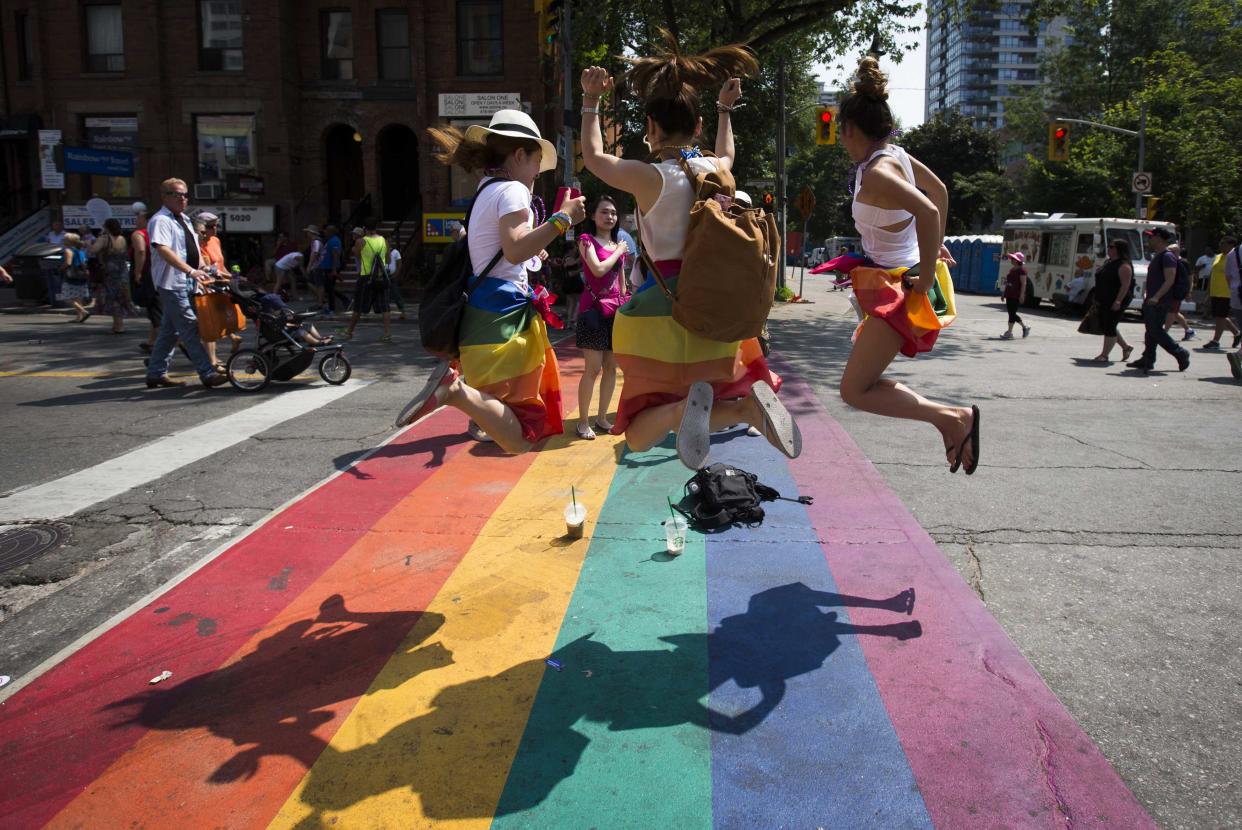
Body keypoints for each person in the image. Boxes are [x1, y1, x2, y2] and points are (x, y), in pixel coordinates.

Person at [578, 39, 799, 469]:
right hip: (717, 308)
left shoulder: (649, 177)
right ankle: (744, 409)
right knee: (709, 395)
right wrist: (725, 110)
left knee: (638, 431)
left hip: (663, 307)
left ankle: (687, 411)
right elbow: (729, 153)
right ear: (697, 127)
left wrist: (591, 100)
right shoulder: (716, 170)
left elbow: (594, 156)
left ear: (651, 128)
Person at [395, 109, 585, 454]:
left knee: (517, 426)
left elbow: (506, 251)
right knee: (522, 433)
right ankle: (454, 392)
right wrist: (563, 220)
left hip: (485, 314)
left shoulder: (486, 189)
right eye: (535, 163)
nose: (536, 175)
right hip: (502, 318)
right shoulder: (513, 190)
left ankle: (457, 392)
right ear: (519, 155)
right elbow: (514, 250)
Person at [834, 56, 979, 474]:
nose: (841, 141)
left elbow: (929, 209)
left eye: (841, 134)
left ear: (848, 128)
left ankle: (954, 419)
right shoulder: (893, 154)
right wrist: (928, 253)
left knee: (855, 390)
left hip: (898, 292)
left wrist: (926, 270)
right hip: (895, 281)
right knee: (858, 387)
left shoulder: (879, 170)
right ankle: (950, 421)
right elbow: (940, 190)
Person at [144, 177, 228, 389]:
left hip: (187, 281)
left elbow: (191, 249)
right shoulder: (160, 220)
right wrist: (190, 270)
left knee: (170, 330)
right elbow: (163, 249)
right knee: (189, 327)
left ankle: (155, 373)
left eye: (184, 194)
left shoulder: (183, 218)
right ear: (164, 197)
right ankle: (207, 373)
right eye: (177, 194)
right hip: (172, 282)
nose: (182, 198)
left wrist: (205, 269)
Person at [573, 195, 628, 440]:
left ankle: (602, 417)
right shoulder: (586, 241)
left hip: (615, 311)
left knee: (611, 367)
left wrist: (627, 304)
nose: (610, 217)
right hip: (593, 310)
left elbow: (622, 284)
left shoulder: (619, 245)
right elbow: (597, 269)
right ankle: (583, 422)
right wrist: (618, 252)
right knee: (592, 368)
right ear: (593, 216)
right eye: (604, 212)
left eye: (613, 213)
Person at [1127, 227, 1190, 375]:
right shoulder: (1158, 255)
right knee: (1151, 331)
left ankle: (1180, 352)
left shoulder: (1167, 256)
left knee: (1155, 330)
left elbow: (1170, 279)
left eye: (1151, 237)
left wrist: (1156, 297)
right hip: (1153, 299)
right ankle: (1148, 359)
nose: (1148, 239)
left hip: (1160, 301)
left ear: (1160, 238)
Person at [342, 220, 392, 343]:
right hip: (381, 277)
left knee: (358, 307)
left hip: (366, 277)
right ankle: (387, 333)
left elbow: (358, 256)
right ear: (376, 228)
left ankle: (349, 332)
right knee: (385, 307)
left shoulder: (360, 241)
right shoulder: (383, 240)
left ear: (365, 229)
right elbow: (389, 259)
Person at [1089, 238, 1135, 363]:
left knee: (1109, 326)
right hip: (1104, 298)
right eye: (1108, 246)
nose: (1108, 249)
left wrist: (1118, 301)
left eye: (1111, 247)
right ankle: (1126, 348)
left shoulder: (1124, 265)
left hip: (1116, 299)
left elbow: (1125, 285)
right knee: (1108, 324)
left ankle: (1104, 355)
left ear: (1119, 249)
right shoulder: (1109, 262)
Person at [89, 218, 133, 333]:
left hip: (109, 271)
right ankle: (118, 323)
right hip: (122, 270)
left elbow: (93, 250)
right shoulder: (122, 239)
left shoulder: (104, 238)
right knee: (120, 297)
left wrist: (90, 243)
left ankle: (119, 325)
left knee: (112, 297)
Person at [1200, 236, 1240, 351]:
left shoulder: (1234, 257)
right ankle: (1237, 333)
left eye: (1223, 244)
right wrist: (1208, 291)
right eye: (1220, 243)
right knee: (1219, 316)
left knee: (1220, 316)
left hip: (1226, 292)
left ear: (1231, 245)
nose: (1220, 246)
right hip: (1215, 291)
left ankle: (1216, 340)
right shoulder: (1218, 257)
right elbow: (1213, 274)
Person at [58, 232, 93, 323]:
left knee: (66, 298)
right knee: (78, 297)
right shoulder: (80, 251)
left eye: (64, 239)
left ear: (68, 242)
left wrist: (60, 268)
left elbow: (68, 263)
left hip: (71, 275)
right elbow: (83, 263)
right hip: (81, 275)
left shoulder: (68, 250)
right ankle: (79, 317)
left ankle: (84, 312)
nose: (62, 240)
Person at [999, 251, 1031, 339]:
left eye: (1013, 259)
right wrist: (1003, 293)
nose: (1011, 260)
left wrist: (1022, 295)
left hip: (1016, 295)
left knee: (1012, 313)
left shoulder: (1022, 271)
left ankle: (1010, 332)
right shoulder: (1012, 270)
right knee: (1011, 313)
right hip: (1009, 294)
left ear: (1017, 260)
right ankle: (1024, 328)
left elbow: (1024, 284)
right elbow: (1007, 282)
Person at [319, 225, 348, 318]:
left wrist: (334, 270)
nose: (325, 232)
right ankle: (343, 299)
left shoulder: (335, 241)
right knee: (329, 288)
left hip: (331, 268)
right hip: (327, 268)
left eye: (326, 230)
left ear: (331, 232)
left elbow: (336, 255)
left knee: (329, 288)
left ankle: (332, 308)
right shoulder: (330, 240)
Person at [1224, 238, 1242, 379]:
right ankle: (1238, 355)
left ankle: (1238, 356)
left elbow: (1228, 277)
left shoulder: (1233, 253)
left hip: (1237, 297)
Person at [386, 235, 407, 320]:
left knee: (396, 294)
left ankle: (402, 311)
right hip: (384, 275)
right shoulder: (381, 251)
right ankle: (386, 312)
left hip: (392, 275)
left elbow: (399, 264)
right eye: (386, 241)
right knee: (384, 294)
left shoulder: (395, 252)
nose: (388, 243)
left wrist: (396, 275)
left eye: (389, 241)